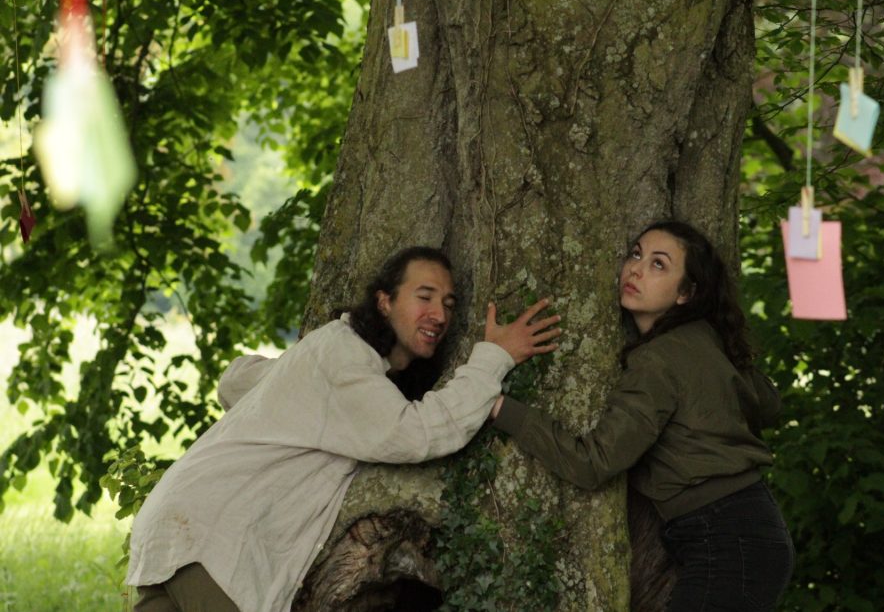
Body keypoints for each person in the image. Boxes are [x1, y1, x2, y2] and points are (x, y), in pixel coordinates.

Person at [127, 246, 561, 612]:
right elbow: (417, 434)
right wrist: (493, 358)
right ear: (385, 302)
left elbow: (234, 381)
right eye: (424, 296)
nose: (439, 313)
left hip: (176, 527)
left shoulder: (332, 357)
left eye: (448, 303)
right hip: (214, 543)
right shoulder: (344, 356)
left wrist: (292, 374)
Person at [490, 221, 794, 611]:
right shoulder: (708, 339)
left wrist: (503, 409)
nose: (635, 269)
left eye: (658, 265)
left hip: (726, 539)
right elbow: (770, 403)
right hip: (750, 530)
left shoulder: (659, 359)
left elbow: (594, 463)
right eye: (636, 254)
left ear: (686, 293)